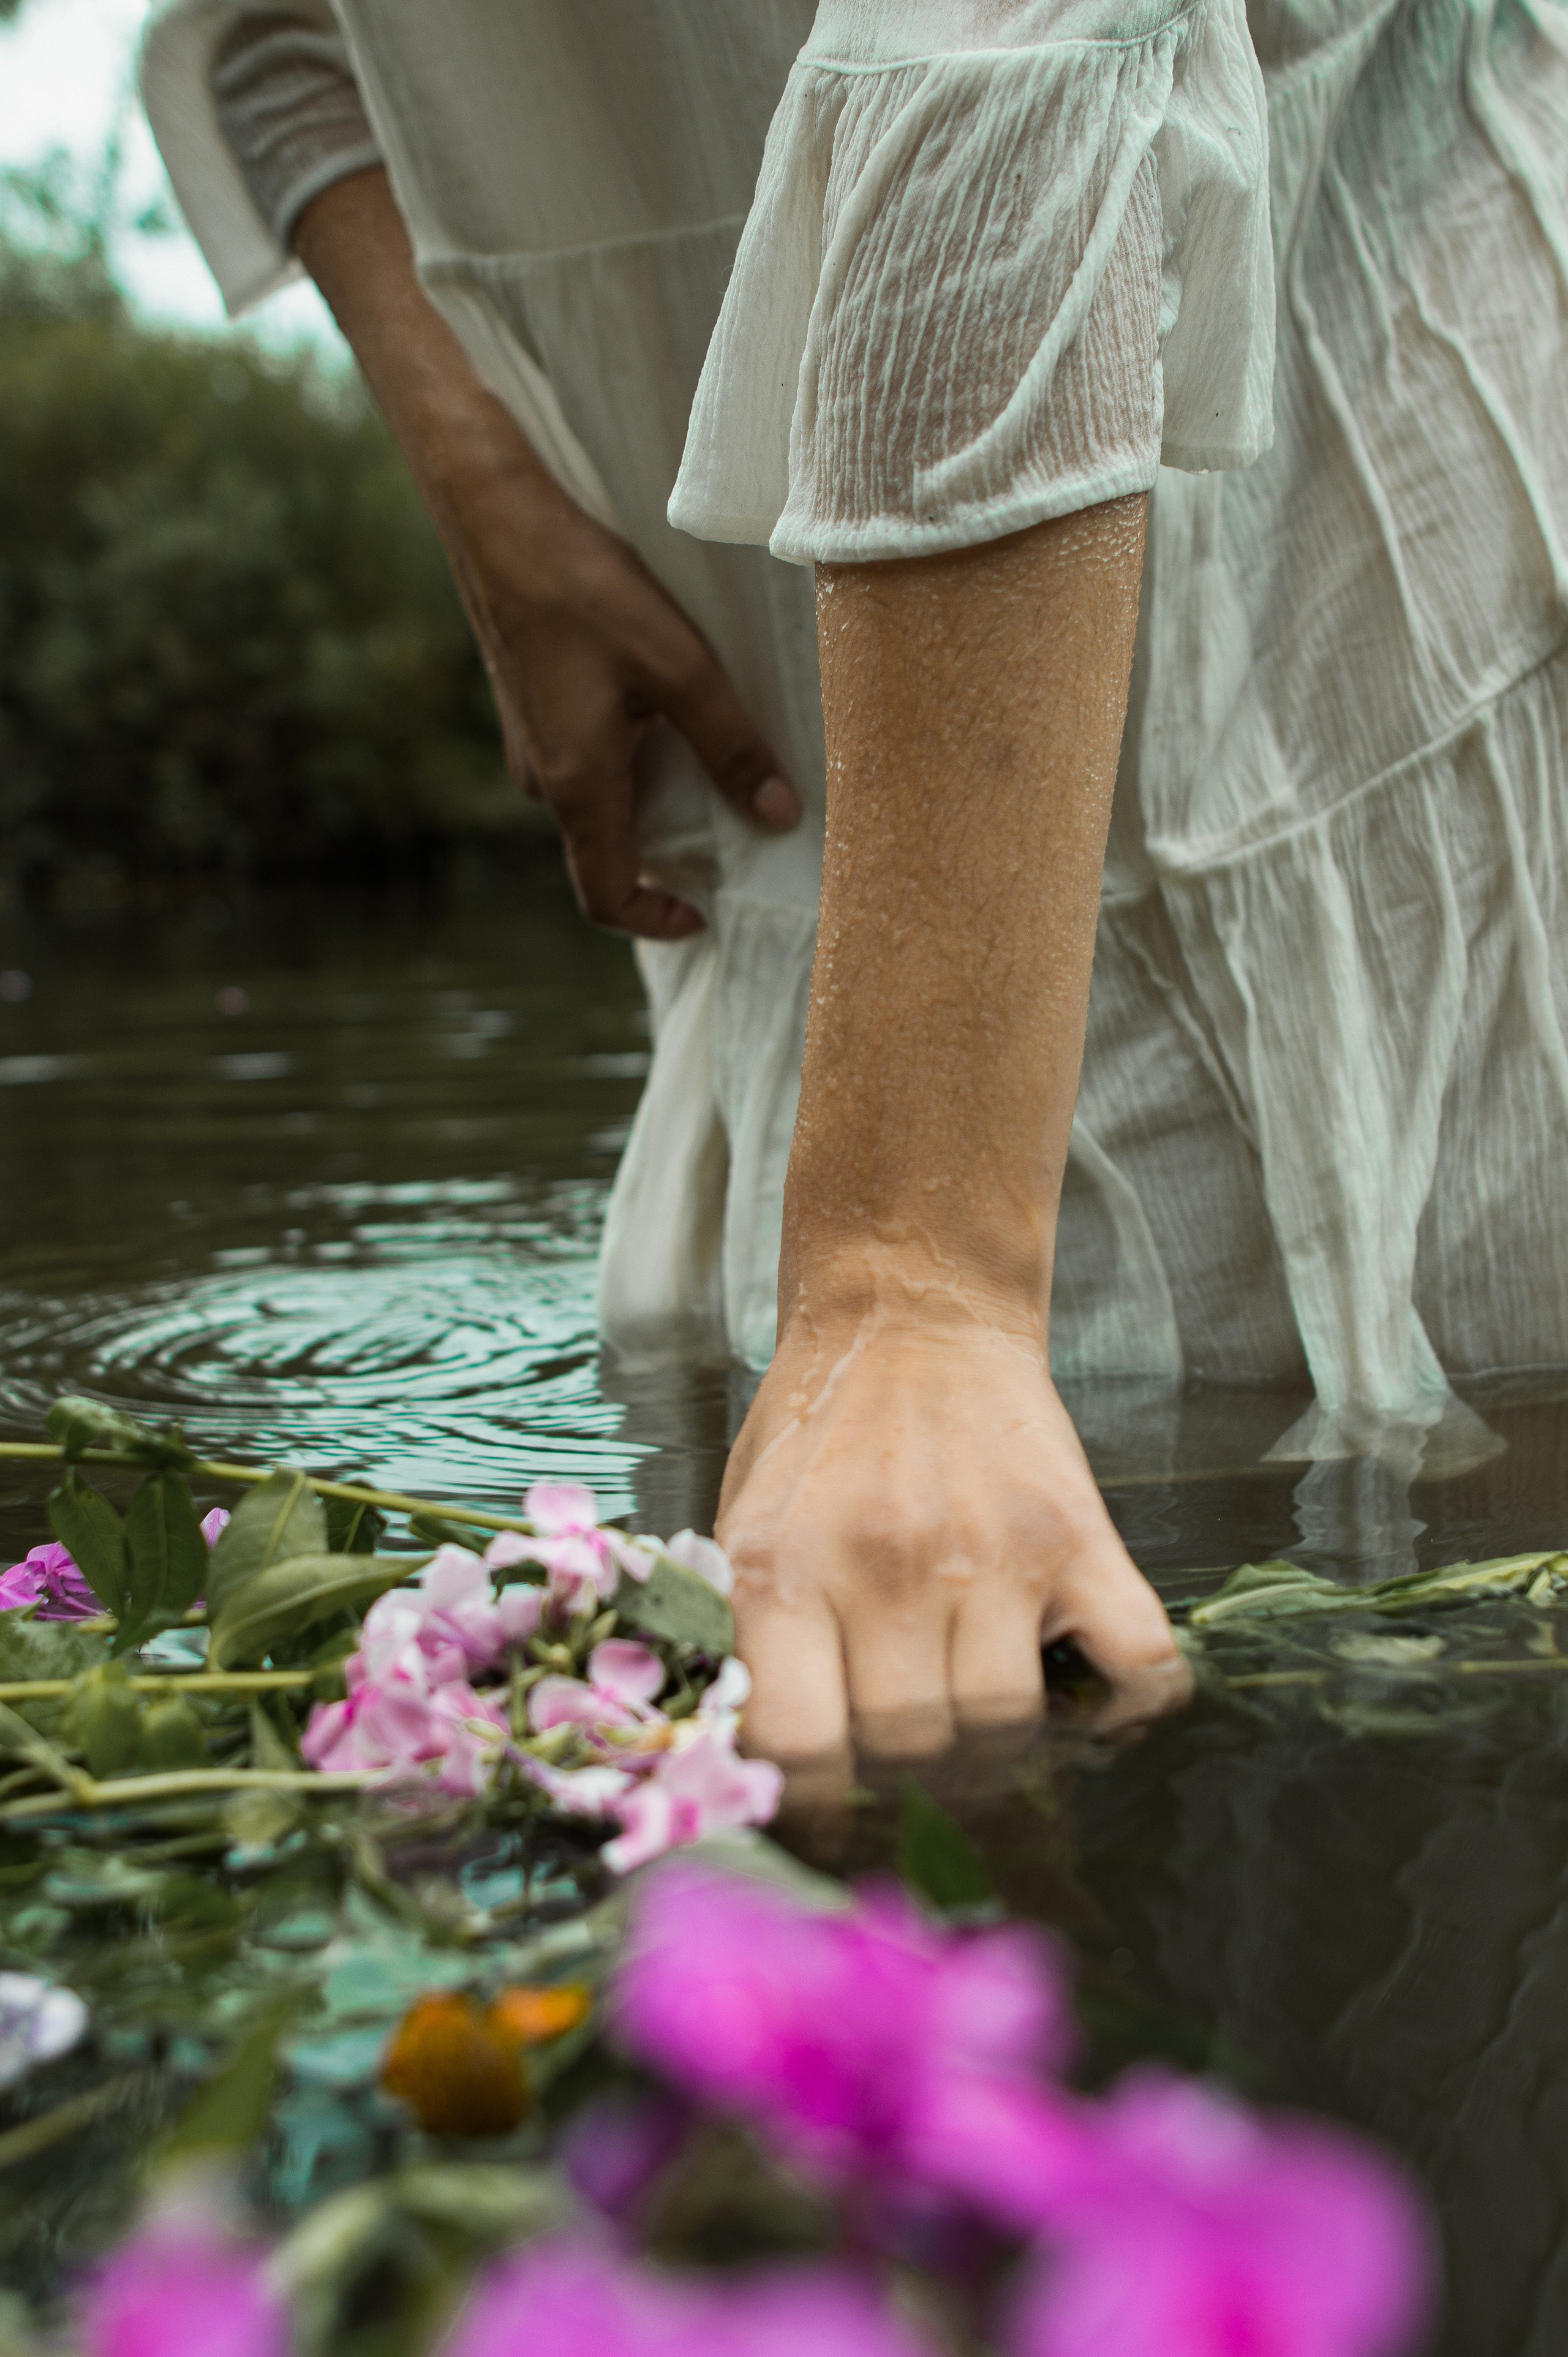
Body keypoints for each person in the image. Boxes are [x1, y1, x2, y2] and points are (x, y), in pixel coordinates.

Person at [142, 0, 1568, 1762]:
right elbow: (272, 37)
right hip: (807, 744)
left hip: (1346, 516)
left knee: (1454, 1618)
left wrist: (911, 1270)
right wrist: (479, 467)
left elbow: (1013, 43)